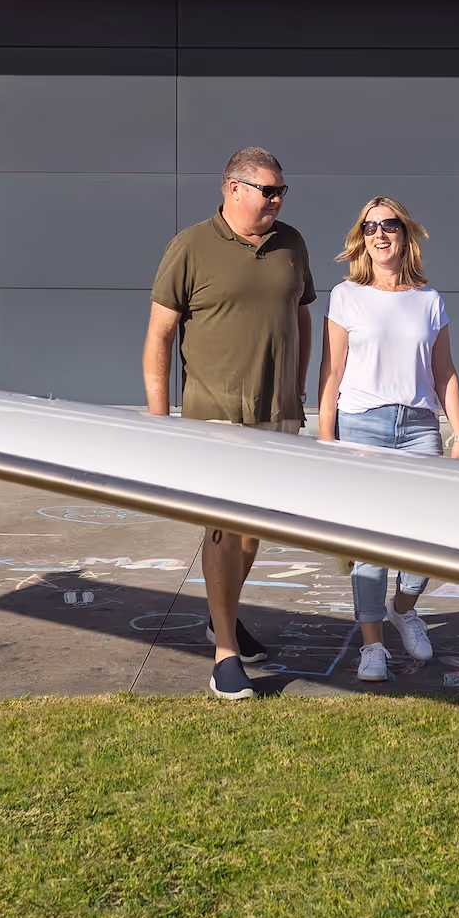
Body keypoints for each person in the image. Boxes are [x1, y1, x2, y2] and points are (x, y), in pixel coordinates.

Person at [143, 147, 314, 701]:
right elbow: (159, 337)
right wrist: (158, 420)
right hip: (213, 414)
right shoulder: (191, 246)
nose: (278, 200)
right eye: (269, 190)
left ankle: (224, 616)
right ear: (233, 189)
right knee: (222, 527)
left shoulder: (291, 243)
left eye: (282, 191)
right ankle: (224, 655)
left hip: (278, 413)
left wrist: (298, 392)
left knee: (253, 528)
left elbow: (301, 316)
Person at [315, 196, 459, 683]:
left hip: (419, 425)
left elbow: (444, 371)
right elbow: (332, 370)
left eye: (389, 225)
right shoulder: (345, 295)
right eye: (369, 226)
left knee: (429, 540)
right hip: (361, 422)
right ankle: (373, 645)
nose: (380, 233)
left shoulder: (429, 299)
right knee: (369, 543)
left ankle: (404, 609)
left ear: (406, 234)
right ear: (361, 238)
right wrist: (325, 437)